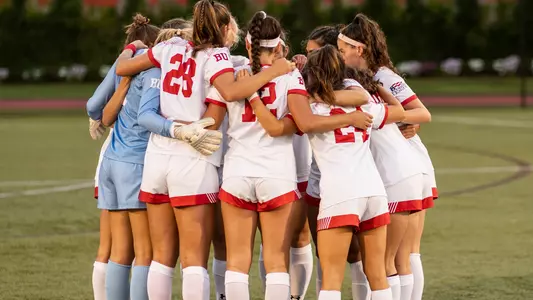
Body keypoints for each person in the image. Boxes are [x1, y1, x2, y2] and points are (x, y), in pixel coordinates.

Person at [114, 2, 295, 299]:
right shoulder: (217, 56)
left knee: (161, 257)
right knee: (194, 260)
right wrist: (274, 70)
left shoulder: (169, 46)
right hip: (193, 156)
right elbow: (233, 92)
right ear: (224, 29)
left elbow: (124, 67)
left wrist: (130, 47)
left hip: (158, 156)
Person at [337, 14, 433, 300]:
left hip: (402, 167)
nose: (341, 57)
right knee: (402, 257)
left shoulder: (382, 76)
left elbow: (422, 113)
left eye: (343, 51)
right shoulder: (362, 79)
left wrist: (394, 119)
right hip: (403, 167)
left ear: (359, 50)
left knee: (394, 259)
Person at [301, 44, 394, 300]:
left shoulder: (310, 107)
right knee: (377, 276)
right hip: (374, 191)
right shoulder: (359, 99)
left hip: (340, 193)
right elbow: (391, 109)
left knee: (331, 279)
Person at [85, 13, 159, 300]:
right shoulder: (153, 70)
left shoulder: (122, 64)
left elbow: (95, 108)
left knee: (118, 251)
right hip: (136, 162)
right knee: (145, 251)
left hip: (111, 161)